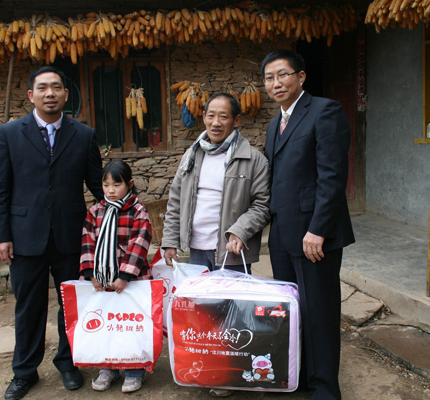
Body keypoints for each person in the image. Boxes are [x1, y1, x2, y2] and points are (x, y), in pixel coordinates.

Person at [0, 66, 103, 400]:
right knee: (29, 307)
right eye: (43, 88)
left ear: (67, 95)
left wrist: (127, 210)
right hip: (24, 236)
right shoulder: (9, 133)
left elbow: (98, 185)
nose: (50, 93)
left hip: (71, 236)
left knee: (71, 305)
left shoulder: (83, 135)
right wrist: (1, 236)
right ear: (31, 95)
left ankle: (68, 364)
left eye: (56, 87)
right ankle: (24, 372)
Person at [161, 93, 270, 397]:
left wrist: (239, 231)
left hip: (232, 251)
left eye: (224, 116)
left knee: (232, 317)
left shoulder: (253, 159)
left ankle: (230, 373)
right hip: (197, 248)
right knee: (204, 314)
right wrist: (170, 240)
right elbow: (176, 201)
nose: (215, 122)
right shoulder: (193, 155)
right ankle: (206, 367)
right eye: (210, 115)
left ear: (237, 121)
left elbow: (262, 205)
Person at [261, 50, 355, 400]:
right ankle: (294, 377)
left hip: (315, 236)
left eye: (282, 74)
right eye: (269, 78)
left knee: (319, 312)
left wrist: (318, 229)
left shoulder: (324, 111)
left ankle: (325, 389)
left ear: (300, 77)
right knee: (290, 312)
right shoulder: (275, 124)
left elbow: (332, 177)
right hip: (283, 235)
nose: (276, 83)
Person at [80, 160, 152, 393]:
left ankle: (133, 370)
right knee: (105, 325)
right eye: (106, 184)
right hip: (102, 283)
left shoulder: (138, 210)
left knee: (130, 326)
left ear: (129, 184)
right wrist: (91, 274)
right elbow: (87, 242)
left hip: (131, 281)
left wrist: (125, 275)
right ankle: (107, 368)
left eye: (117, 184)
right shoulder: (95, 211)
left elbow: (140, 243)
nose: (111, 190)